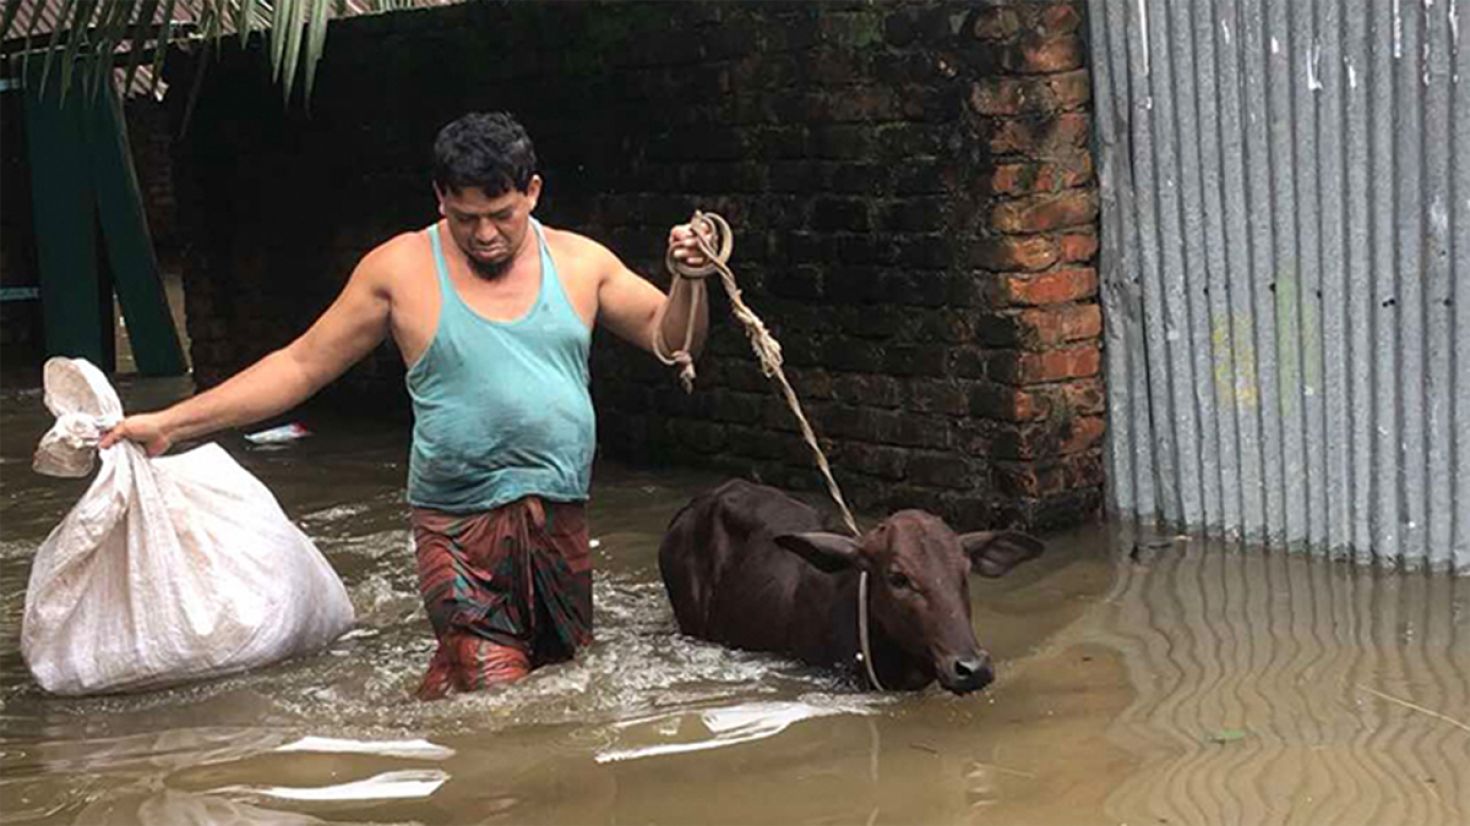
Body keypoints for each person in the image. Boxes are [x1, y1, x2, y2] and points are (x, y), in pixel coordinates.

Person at [100, 111, 712, 699]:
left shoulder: (582, 262)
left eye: (501, 215)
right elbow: (300, 364)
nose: (486, 234)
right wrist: (170, 423)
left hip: (558, 517)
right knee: (500, 697)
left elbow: (675, 340)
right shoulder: (398, 269)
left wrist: (689, 280)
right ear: (440, 197)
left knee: (560, 679)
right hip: (455, 525)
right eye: (466, 216)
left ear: (532, 192)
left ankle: (426, 713)